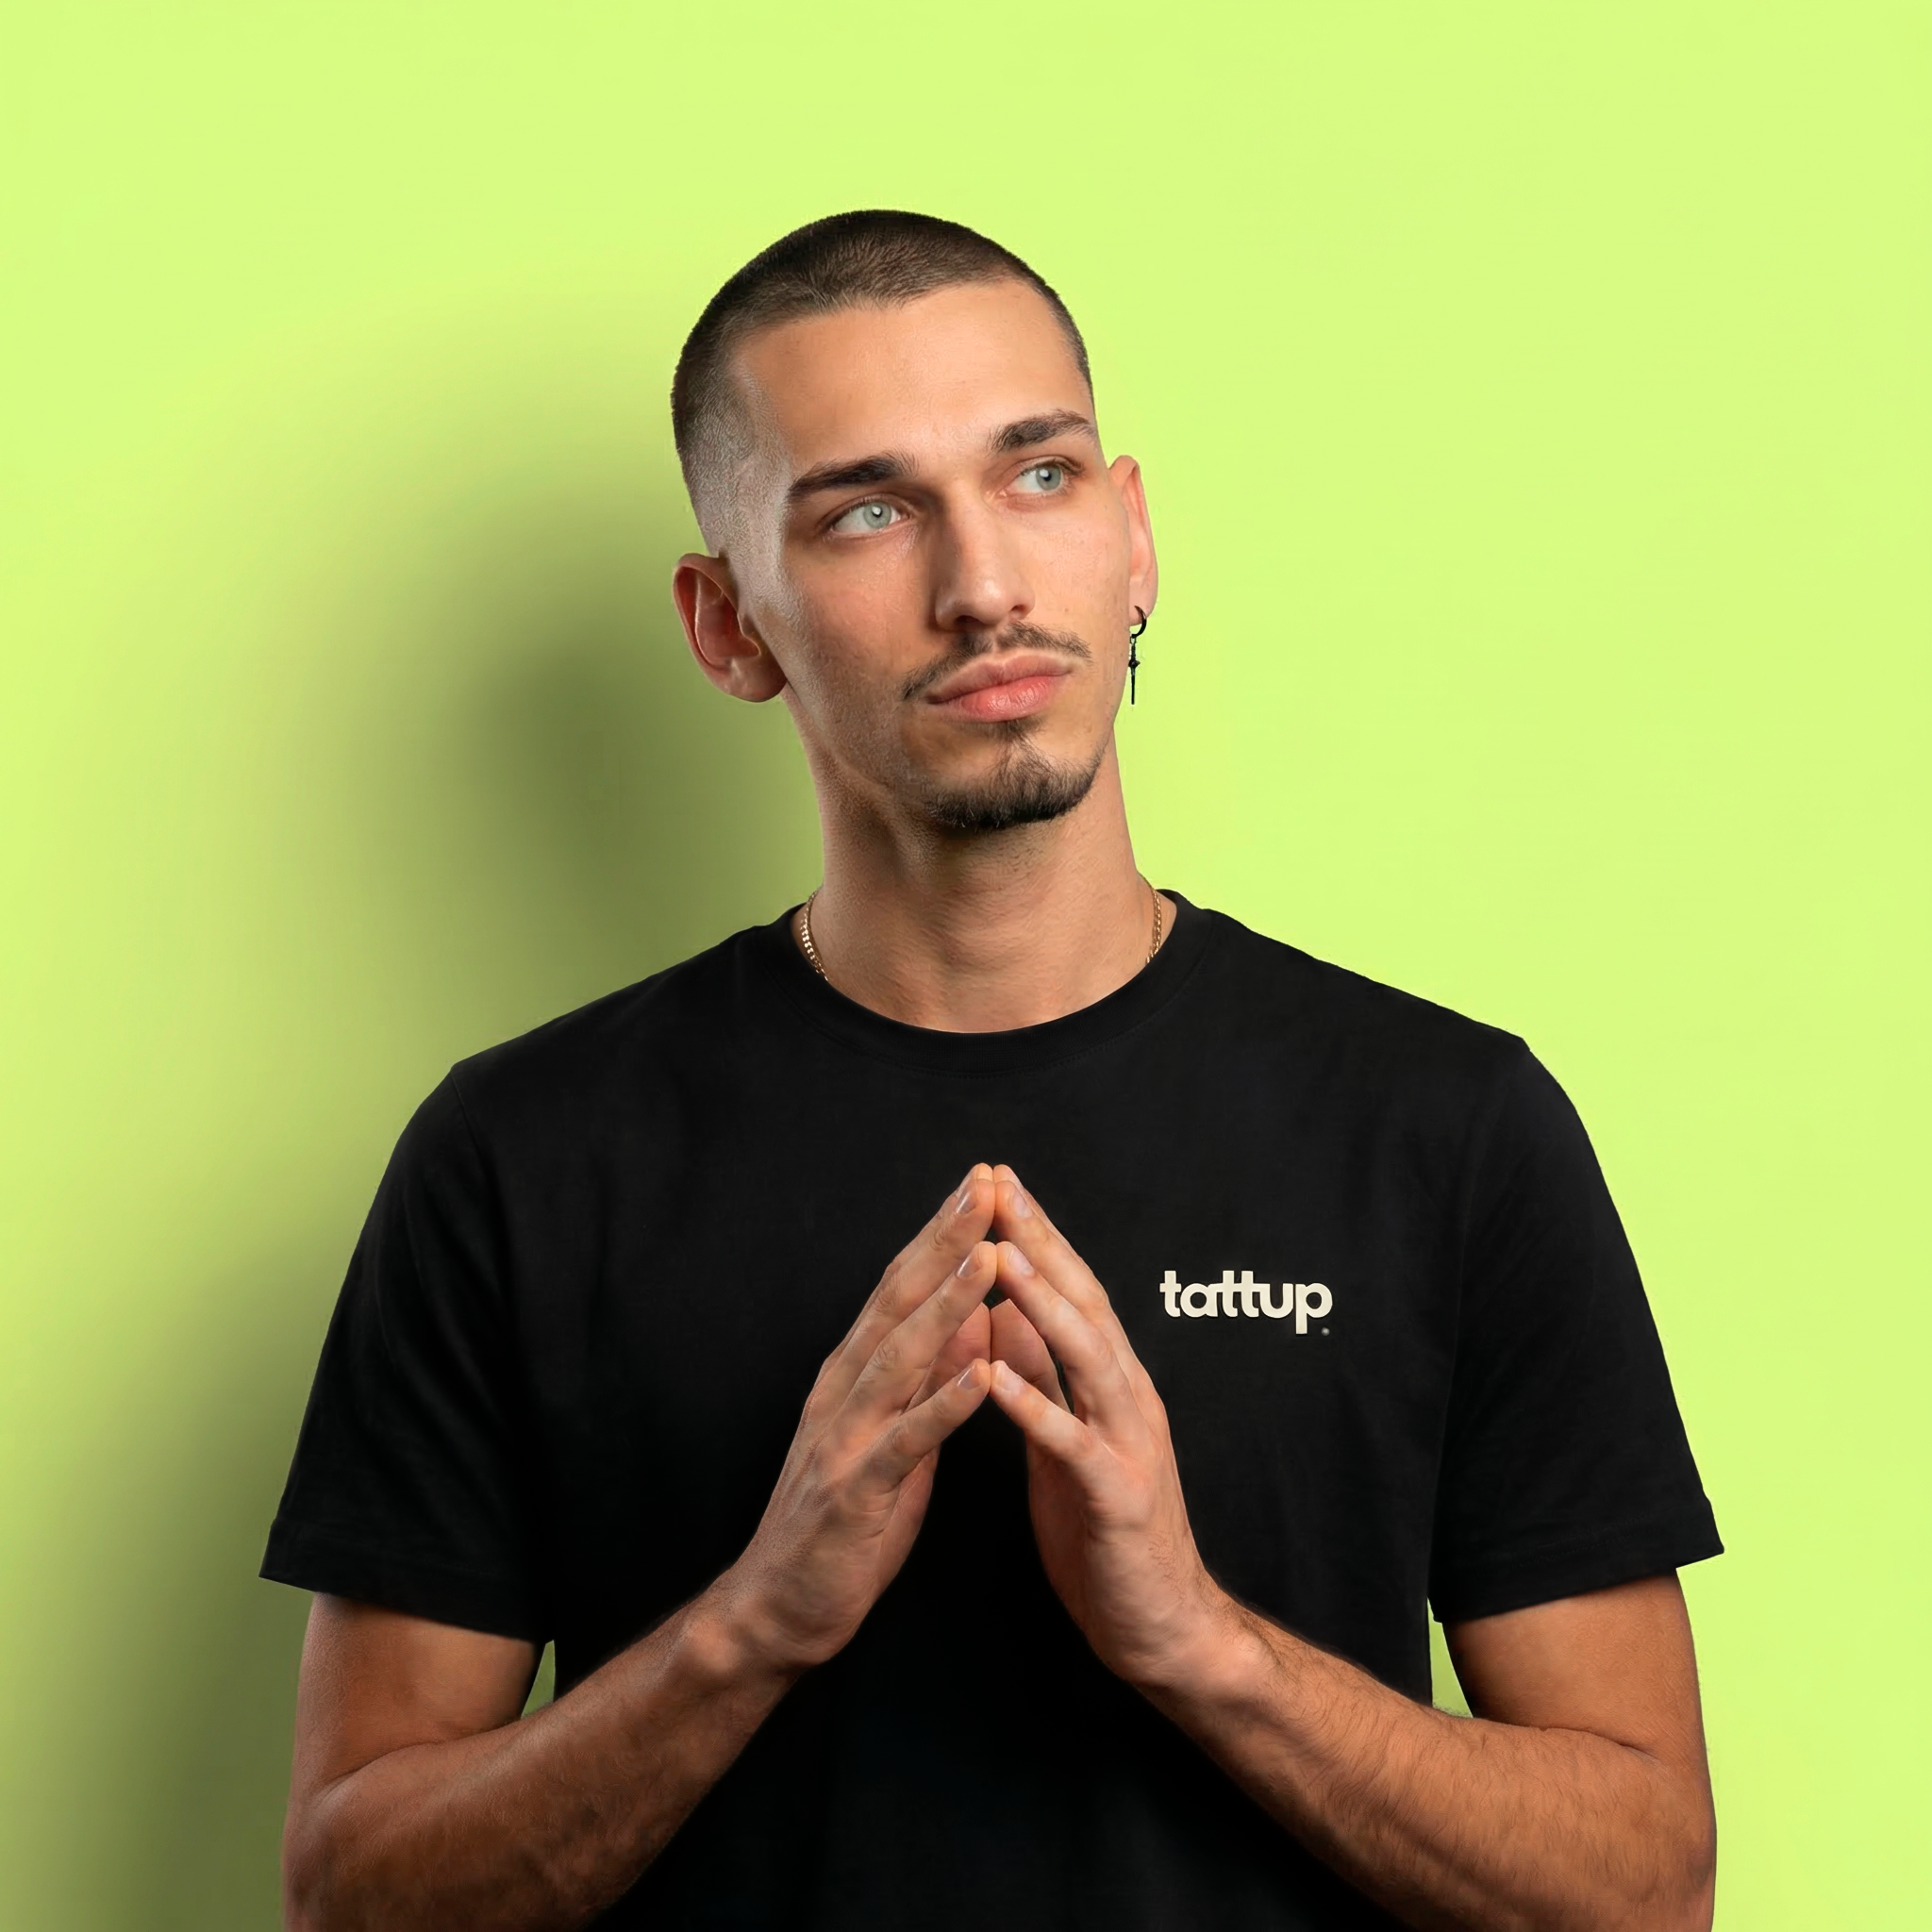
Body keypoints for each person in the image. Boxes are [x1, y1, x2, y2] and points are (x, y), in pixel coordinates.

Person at [264, 210, 1723, 1931]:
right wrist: (756, 1625)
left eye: (1038, 476)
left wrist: (1202, 1646)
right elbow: (354, 1897)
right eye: (868, 512)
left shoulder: (1444, 1128)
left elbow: (1647, 1892)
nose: (985, 586)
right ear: (729, 627)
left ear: (1133, 536)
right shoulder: (522, 1156)